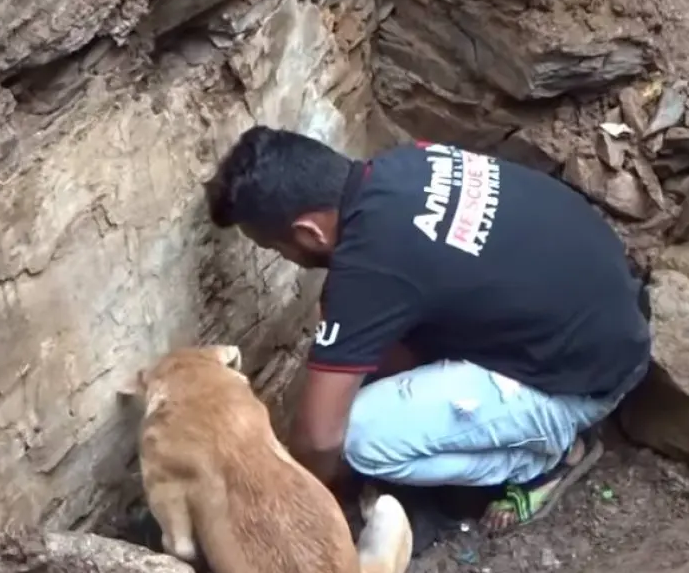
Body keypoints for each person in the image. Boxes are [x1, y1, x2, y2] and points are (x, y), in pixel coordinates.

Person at [204, 125, 651, 532]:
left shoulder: (371, 265)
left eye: (275, 246)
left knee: (359, 437)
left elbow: (321, 437)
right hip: (607, 316)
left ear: (308, 232)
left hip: (584, 384)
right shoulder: (409, 161)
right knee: (355, 344)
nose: (283, 257)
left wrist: (297, 507)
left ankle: (547, 457)